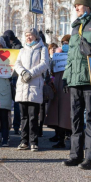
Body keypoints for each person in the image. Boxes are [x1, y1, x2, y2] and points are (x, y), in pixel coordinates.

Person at [62, 0, 91, 170]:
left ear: (87, 5)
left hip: (88, 79)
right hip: (74, 80)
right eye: (75, 6)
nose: (76, 8)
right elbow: (71, 56)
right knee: (76, 119)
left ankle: (89, 157)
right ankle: (75, 155)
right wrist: (66, 77)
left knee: (90, 119)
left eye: (78, 5)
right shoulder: (75, 27)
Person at [14, 28, 49, 152]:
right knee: (24, 116)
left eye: (31, 35)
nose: (28, 37)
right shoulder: (22, 50)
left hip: (34, 86)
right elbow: (17, 64)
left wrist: (31, 73)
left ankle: (34, 142)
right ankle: (24, 141)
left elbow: (45, 64)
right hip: (23, 86)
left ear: (35, 36)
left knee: (33, 116)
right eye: (27, 35)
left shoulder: (42, 49)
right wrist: (23, 72)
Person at [45, 36, 72, 149]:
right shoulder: (58, 55)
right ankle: (60, 138)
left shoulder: (74, 54)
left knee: (67, 114)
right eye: (63, 43)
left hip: (69, 87)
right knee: (58, 113)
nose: (65, 45)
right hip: (57, 87)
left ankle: (69, 137)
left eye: (67, 43)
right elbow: (51, 70)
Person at [3, 30, 23, 135]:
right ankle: (8, 126)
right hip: (8, 76)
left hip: (14, 76)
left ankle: (15, 126)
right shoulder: (16, 45)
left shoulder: (18, 47)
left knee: (16, 103)